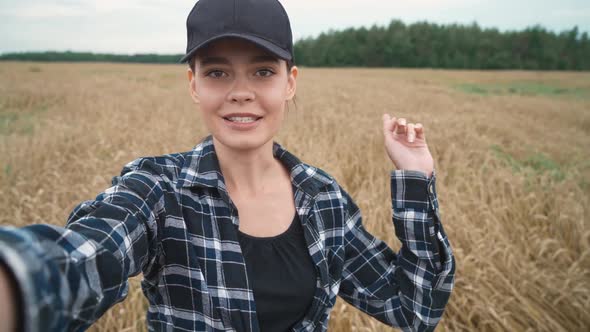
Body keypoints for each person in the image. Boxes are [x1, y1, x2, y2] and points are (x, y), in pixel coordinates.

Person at [0, 0, 456, 331]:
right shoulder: (158, 191)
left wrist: (414, 179)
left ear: (290, 83)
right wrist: (18, 281)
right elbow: (84, 256)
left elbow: (413, 308)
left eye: (262, 71)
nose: (241, 91)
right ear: (194, 84)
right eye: (217, 72)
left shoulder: (323, 199)